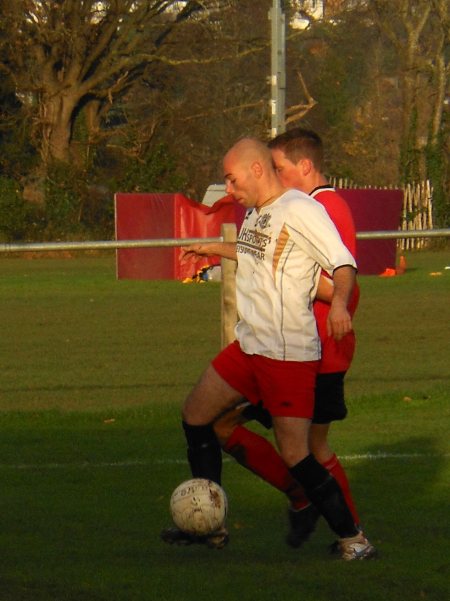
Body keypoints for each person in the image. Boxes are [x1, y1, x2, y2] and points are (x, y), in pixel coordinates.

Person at [161, 137, 375, 560]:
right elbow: (251, 252)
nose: (228, 189)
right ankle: (210, 528)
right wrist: (210, 248)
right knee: (196, 416)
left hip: (287, 354)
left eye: (231, 178)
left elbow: (343, 262)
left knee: (297, 453)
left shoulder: (301, 209)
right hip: (249, 347)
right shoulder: (258, 213)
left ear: (257, 169)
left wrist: (338, 307)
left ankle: (355, 540)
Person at [212, 128, 362, 551]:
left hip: (312, 350)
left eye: (279, 167)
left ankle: (350, 531)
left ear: (305, 166)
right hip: (271, 347)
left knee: (311, 447)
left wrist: (294, 286)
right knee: (223, 422)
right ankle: (307, 504)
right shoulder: (284, 208)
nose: (272, 175)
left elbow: (342, 282)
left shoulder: (322, 207)